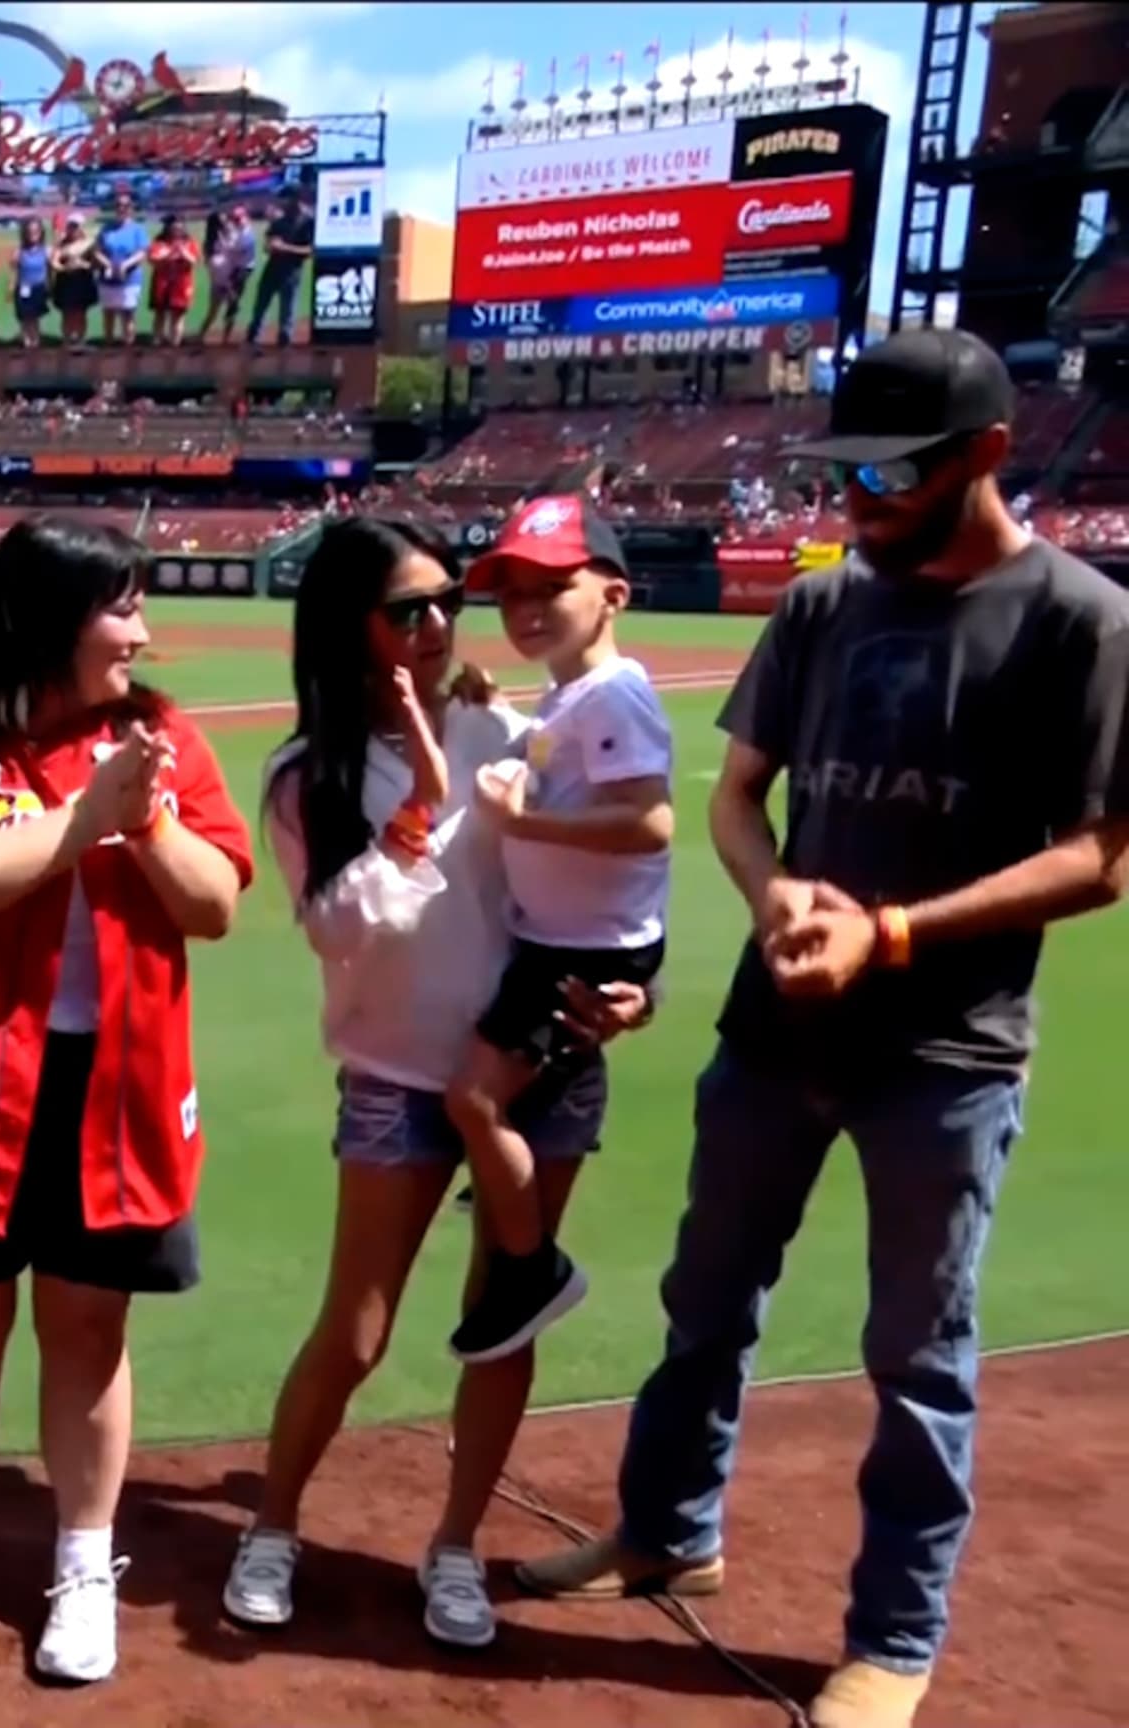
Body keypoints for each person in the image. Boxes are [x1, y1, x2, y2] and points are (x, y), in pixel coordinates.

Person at [516, 329, 1129, 1728]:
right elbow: (738, 799)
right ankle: (670, 1530)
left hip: (949, 1051)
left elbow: (1101, 858)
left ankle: (893, 1642)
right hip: (776, 1026)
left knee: (918, 1353)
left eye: (893, 471)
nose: (857, 499)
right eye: (842, 468)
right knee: (704, 1302)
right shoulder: (823, 605)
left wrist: (895, 931)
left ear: (985, 455)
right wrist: (776, 885)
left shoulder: (1079, 619)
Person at [219, 517, 656, 1652]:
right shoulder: (305, 773)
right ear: (346, 628)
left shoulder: (501, 726)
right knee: (355, 1333)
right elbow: (334, 932)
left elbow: (582, 886)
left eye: (441, 603)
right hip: (397, 1070)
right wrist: (415, 801)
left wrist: (627, 992)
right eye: (403, 610)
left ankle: (456, 1547)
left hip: (539, 1055)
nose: (433, 628)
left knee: (500, 1324)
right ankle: (272, 1525)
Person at [0, 520, 252, 1685]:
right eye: (121, 609)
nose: (144, 632)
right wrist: (87, 819)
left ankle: (83, 1563)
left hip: (113, 1092)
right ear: (52, 614)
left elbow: (214, 904)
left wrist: (150, 815)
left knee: (90, 1330)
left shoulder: (157, 734)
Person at [440, 495, 674, 1364]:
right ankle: (510, 1201)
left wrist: (522, 824)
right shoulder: (575, 694)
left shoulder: (612, 694)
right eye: (510, 595)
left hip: (584, 950)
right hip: (567, 939)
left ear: (612, 593)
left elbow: (648, 822)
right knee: (491, 1101)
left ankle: (531, 1265)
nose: (527, 610)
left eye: (551, 587)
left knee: (471, 1098)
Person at [248, 187, 314, 348]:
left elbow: (310, 250)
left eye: (284, 199)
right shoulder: (279, 222)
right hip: (272, 268)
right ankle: (252, 340)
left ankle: (284, 343)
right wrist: (270, 246)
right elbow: (267, 244)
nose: (281, 203)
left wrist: (284, 247)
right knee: (260, 306)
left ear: (295, 200)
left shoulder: (308, 222)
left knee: (287, 310)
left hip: (292, 271)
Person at [97, 190, 150, 346]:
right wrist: (109, 265)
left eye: (126, 206)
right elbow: (97, 251)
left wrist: (125, 266)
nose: (122, 209)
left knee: (128, 315)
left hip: (130, 279)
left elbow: (142, 252)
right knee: (109, 314)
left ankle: (128, 346)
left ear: (131, 208)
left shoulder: (137, 229)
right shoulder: (106, 229)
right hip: (108, 278)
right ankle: (109, 346)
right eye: (119, 205)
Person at [202, 206, 257, 346]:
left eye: (228, 219)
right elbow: (213, 263)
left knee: (231, 307)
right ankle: (201, 335)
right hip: (221, 277)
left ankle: (225, 338)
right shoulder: (213, 242)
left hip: (234, 274)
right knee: (215, 309)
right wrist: (225, 283)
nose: (228, 222)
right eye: (225, 220)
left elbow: (239, 245)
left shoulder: (239, 233)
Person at [146, 216, 200, 347]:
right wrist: (169, 254)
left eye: (180, 227)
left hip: (181, 284)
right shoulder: (159, 242)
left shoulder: (190, 242)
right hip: (161, 283)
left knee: (178, 315)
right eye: (173, 227)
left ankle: (175, 343)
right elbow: (153, 260)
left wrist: (182, 251)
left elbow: (194, 261)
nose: (177, 230)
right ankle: (157, 341)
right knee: (160, 314)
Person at [50, 217, 101, 347]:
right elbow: (54, 261)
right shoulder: (61, 243)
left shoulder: (90, 243)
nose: (74, 229)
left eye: (76, 226)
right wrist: (64, 268)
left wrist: (83, 264)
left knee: (81, 313)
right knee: (66, 314)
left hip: (83, 281)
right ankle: (67, 341)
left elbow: (96, 264)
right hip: (65, 282)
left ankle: (80, 340)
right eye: (71, 226)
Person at [13, 216, 52, 348]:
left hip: (39, 288)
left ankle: (35, 342)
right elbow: (14, 271)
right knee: (24, 318)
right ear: (24, 233)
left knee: (35, 318)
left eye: (36, 231)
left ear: (41, 233)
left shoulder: (46, 250)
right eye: (29, 231)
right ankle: (26, 342)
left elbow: (51, 270)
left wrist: (50, 287)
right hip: (23, 289)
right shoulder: (19, 252)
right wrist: (11, 288)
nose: (32, 234)